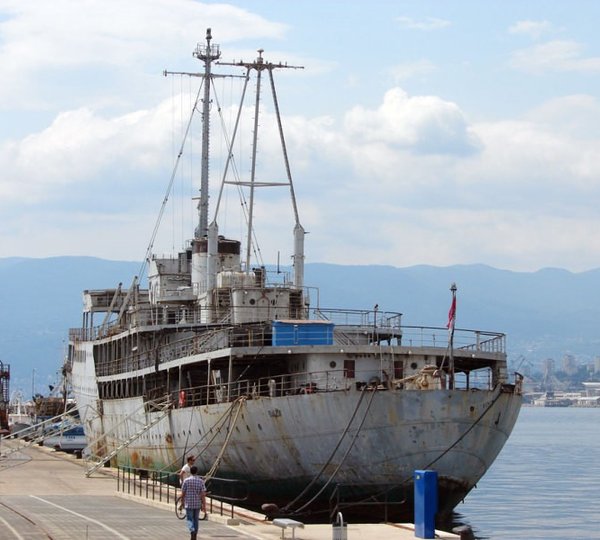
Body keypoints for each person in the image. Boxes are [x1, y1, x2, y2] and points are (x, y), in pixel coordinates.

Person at [181, 465, 207, 540]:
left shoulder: (186, 481)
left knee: (189, 519)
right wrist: (204, 505)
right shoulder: (201, 481)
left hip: (188, 503)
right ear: (197, 472)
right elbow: (203, 494)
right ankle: (195, 533)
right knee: (196, 519)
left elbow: (183, 493)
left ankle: (192, 530)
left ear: (190, 472)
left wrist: (182, 502)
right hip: (197, 503)